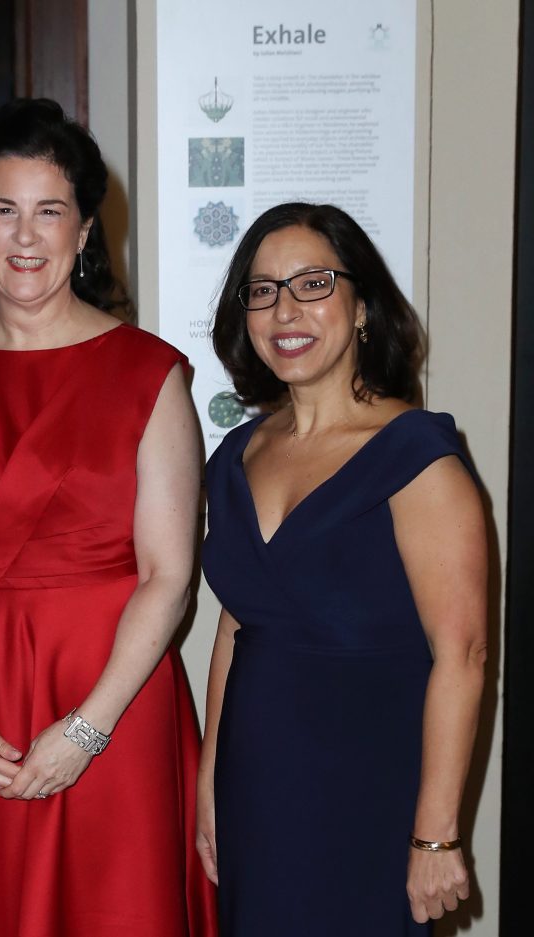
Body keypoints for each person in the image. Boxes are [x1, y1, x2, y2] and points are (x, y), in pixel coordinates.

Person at [0, 98, 219, 937]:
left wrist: (87, 727)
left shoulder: (151, 374)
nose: (25, 237)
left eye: (50, 212)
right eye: (4, 211)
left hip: (113, 694)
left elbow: (169, 575)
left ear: (83, 233)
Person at [196, 202, 487, 935]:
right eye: (262, 289)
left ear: (361, 307)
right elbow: (236, 627)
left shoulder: (415, 454)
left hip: (369, 792)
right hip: (256, 786)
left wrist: (436, 832)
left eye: (313, 283)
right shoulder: (235, 457)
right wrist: (209, 781)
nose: (284, 309)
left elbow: (464, 654)